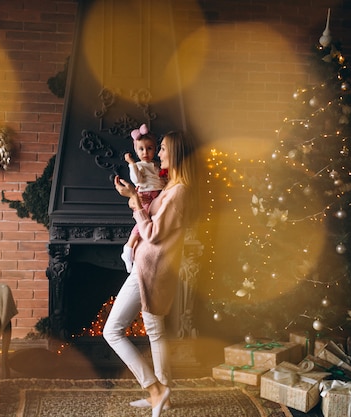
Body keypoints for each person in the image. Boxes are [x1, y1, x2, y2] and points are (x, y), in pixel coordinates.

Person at [104, 129, 198, 417]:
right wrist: (134, 196)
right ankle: (164, 396)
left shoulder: (178, 192)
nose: (157, 154)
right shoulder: (169, 186)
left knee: (112, 331)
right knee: (156, 334)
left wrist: (133, 198)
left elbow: (153, 234)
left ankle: (155, 389)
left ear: (176, 154)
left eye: (163, 150)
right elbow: (149, 212)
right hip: (152, 267)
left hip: (150, 269)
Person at [121, 123, 167, 273]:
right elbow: (136, 180)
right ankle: (129, 246)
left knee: (151, 221)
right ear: (136, 150)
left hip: (157, 195)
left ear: (155, 149)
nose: (145, 152)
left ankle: (133, 248)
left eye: (149, 148)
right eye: (141, 149)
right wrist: (131, 163)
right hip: (146, 195)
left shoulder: (156, 165)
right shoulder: (139, 165)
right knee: (144, 219)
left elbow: (159, 180)